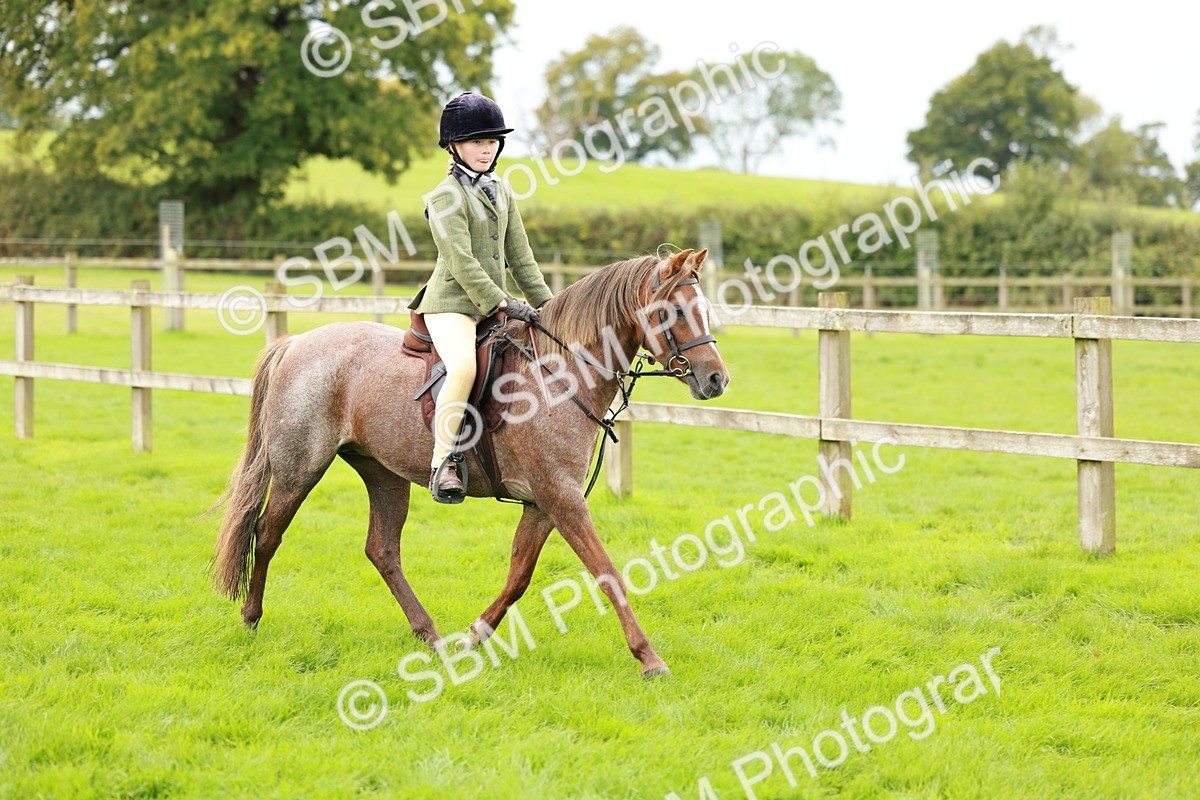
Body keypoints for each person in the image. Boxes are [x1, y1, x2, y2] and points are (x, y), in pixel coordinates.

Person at [409, 91, 553, 503]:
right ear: (454, 146)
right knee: (464, 370)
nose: (486, 149)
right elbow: (461, 261)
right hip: (452, 304)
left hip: (495, 304)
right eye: (477, 142)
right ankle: (445, 463)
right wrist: (503, 303)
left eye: (492, 142)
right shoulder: (443, 197)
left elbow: (521, 257)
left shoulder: (502, 191)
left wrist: (548, 307)